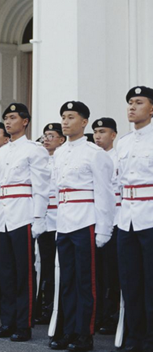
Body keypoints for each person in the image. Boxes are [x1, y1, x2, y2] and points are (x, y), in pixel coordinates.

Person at [50, 101, 114, 351]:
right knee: (67, 280)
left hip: (86, 221)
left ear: (84, 122)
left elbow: (105, 193)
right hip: (64, 222)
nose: (65, 122)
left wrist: (104, 229)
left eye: (71, 117)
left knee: (85, 282)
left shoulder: (94, 153)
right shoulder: (61, 152)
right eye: (63, 117)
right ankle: (68, 331)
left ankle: (84, 334)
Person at [0, 103, 50, 342]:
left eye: (13, 117)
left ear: (25, 121)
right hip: (3, 218)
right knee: (5, 273)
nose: (8, 122)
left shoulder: (34, 150)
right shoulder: (2, 152)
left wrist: (38, 218)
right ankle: (8, 321)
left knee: (24, 273)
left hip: (23, 216)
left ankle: (23, 324)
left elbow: (41, 187)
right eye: (6, 118)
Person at [116, 86, 153, 352]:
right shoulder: (124, 142)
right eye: (130, 102)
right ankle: (134, 336)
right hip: (126, 217)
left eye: (138, 102)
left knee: (151, 281)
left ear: (152, 108)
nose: (131, 107)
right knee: (130, 281)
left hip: (150, 216)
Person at [92, 117, 121, 335]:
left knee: (113, 273)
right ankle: (100, 312)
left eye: (102, 132)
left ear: (113, 135)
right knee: (98, 271)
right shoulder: (93, 157)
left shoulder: (118, 157)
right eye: (95, 132)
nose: (98, 136)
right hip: (95, 220)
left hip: (118, 220)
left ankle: (113, 315)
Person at [35, 123, 65, 327]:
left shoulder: (62, 159)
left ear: (61, 140)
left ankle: (57, 305)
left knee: (59, 267)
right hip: (45, 220)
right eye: (45, 136)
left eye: (51, 136)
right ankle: (45, 305)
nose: (46, 139)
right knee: (45, 266)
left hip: (61, 220)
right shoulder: (41, 161)